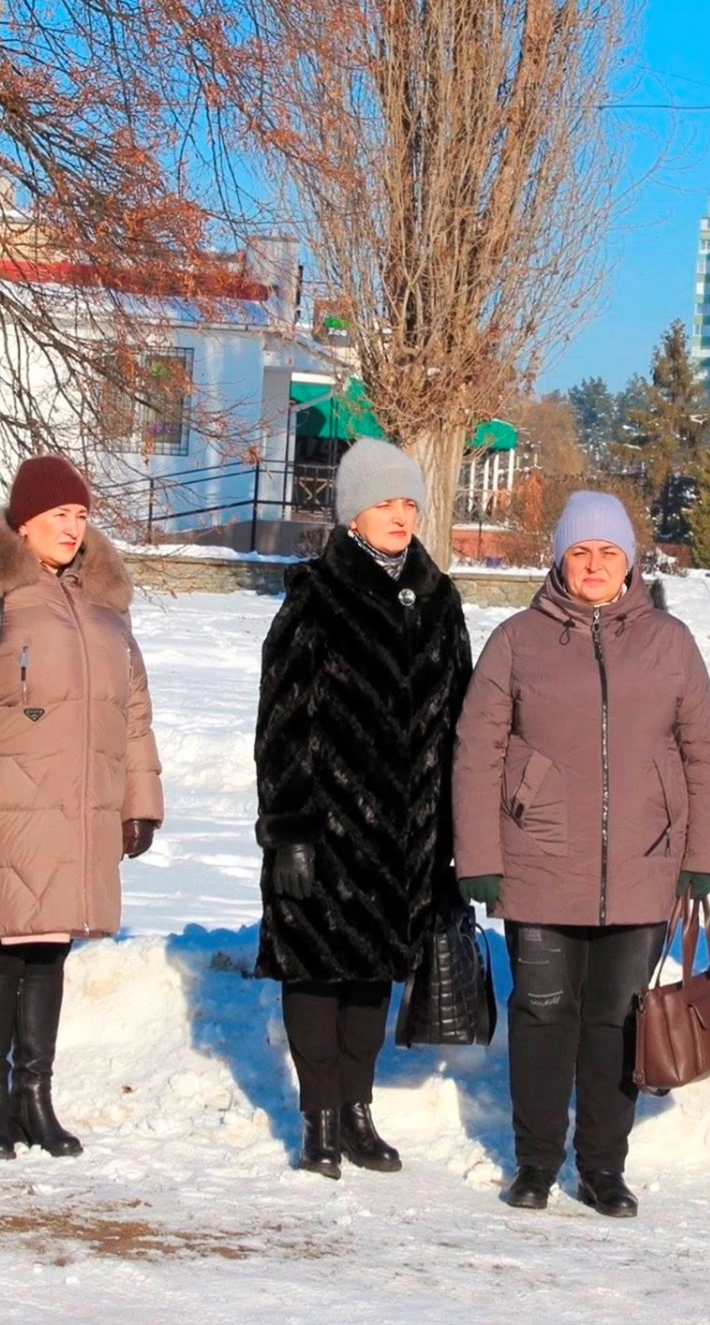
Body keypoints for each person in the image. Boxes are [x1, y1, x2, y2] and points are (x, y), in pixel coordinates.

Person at [453, 491, 710, 1218]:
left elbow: (703, 753)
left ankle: (604, 1168)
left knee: (618, 1019)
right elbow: (475, 752)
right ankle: (536, 1163)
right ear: (560, 558)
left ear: (631, 562)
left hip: (645, 864)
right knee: (542, 1012)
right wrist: (478, 854)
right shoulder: (517, 640)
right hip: (539, 859)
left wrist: (702, 854)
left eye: (609, 553)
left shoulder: (670, 642)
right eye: (582, 552)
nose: (595, 565)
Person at [0, 456, 163, 1160]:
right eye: (59, 515)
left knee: (51, 946)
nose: (72, 528)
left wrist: (139, 802)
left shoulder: (104, 604)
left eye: (81, 516)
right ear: (23, 521)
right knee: (2, 943)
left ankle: (36, 1098)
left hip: (81, 805)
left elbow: (134, 711)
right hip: (3, 801)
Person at [254, 437, 472, 1179]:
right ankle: (319, 1115)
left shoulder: (441, 600)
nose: (400, 515)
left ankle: (356, 1110)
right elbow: (280, 723)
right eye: (385, 502)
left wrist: (450, 831)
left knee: (374, 976)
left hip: (408, 835)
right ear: (353, 513)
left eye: (409, 502)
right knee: (316, 972)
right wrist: (289, 833)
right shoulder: (316, 594)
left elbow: (460, 721)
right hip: (325, 827)